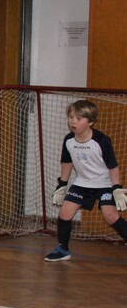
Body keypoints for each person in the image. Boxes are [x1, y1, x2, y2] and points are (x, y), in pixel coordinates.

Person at [45, 99, 127, 261]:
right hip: (82, 183)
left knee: (110, 216)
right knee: (65, 213)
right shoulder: (69, 140)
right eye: (71, 117)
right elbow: (67, 162)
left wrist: (116, 188)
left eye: (78, 118)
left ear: (90, 122)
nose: (73, 122)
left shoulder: (101, 141)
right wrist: (62, 185)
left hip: (104, 184)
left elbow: (113, 167)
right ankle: (63, 249)